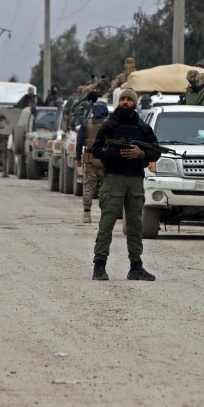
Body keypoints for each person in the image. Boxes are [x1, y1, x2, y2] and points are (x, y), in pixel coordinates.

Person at [90, 88, 161, 282]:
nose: (126, 103)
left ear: (135, 103)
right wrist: (117, 153)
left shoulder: (142, 127)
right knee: (107, 223)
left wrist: (141, 154)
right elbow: (96, 150)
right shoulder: (109, 125)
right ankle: (99, 265)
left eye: (130, 99)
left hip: (135, 180)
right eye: (123, 99)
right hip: (114, 179)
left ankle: (136, 267)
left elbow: (155, 151)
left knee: (135, 225)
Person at [75, 100, 109, 224]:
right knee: (105, 188)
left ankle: (86, 214)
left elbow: (79, 143)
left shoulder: (85, 123)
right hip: (106, 160)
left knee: (88, 186)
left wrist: (78, 159)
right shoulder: (109, 123)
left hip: (89, 159)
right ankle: (104, 214)